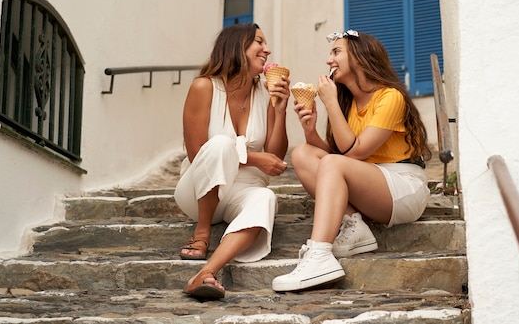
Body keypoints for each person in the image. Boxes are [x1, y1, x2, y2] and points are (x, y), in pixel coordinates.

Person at [272, 29, 431, 292]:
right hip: (369, 180)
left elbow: (354, 154)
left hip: (403, 186)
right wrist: (310, 130)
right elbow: (338, 157)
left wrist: (330, 102)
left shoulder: (390, 96)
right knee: (302, 153)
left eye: (336, 52)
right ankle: (355, 226)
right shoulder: (348, 103)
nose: (328, 60)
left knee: (332, 164)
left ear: (359, 57)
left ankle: (320, 254)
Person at [174, 23, 290, 300]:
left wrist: (281, 110)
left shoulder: (265, 93)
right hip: (200, 191)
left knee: (265, 197)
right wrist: (253, 157)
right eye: (259, 42)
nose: (267, 49)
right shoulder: (204, 87)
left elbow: (275, 154)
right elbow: (196, 152)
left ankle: (205, 273)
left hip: (242, 192)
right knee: (221, 144)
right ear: (237, 46)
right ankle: (202, 232)